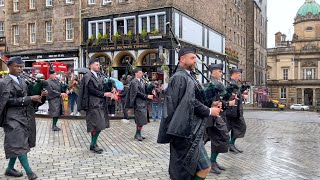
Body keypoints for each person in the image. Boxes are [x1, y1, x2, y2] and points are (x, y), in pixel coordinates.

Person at [157, 47, 221, 180]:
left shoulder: (187, 76)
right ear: (182, 59)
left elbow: (193, 100)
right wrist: (209, 111)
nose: (195, 61)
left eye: (195, 58)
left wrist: (210, 105)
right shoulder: (180, 77)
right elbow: (188, 103)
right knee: (188, 170)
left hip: (191, 131)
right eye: (192, 58)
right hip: (184, 132)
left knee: (201, 168)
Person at [0, 56, 46, 180]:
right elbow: (7, 101)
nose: (20, 69)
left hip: (24, 116)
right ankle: (29, 172)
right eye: (17, 66)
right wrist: (29, 99)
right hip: (11, 117)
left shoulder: (22, 81)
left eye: (21, 67)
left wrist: (40, 96)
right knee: (19, 142)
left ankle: (10, 169)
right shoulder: (4, 82)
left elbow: (30, 99)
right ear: (9, 67)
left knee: (18, 143)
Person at [78, 58, 115, 154]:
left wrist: (112, 87)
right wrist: (104, 94)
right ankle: (93, 144)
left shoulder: (100, 75)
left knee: (100, 124)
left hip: (100, 104)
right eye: (96, 64)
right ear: (91, 66)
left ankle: (93, 143)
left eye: (99, 64)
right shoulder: (88, 76)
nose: (98, 66)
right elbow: (91, 90)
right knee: (96, 125)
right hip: (93, 104)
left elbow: (107, 83)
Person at [204, 64, 236, 174]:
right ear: (212, 72)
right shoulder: (210, 85)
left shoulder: (218, 84)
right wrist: (228, 103)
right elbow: (208, 101)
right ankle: (207, 163)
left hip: (216, 116)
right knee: (213, 139)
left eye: (222, 71)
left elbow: (219, 100)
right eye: (219, 71)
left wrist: (228, 99)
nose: (221, 73)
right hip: (209, 117)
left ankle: (212, 161)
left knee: (219, 139)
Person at [126, 67, 153, 141]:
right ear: (136, 73)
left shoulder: (142, 81)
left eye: (142, 73)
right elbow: (136, 93)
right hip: (138, 103)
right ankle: (138, 134)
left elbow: (144, 90)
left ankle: (138, 134)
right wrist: (147, 96)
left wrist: (151, 89)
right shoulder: (134, 82)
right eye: (140, 73)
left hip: (143, 103)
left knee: (142, 119)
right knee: (140, 120)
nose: (142, 74)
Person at [225, 69, 247, 153]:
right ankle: (230, 144)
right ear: (234, 74)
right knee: (238, 127)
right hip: (232, 111)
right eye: (239, 75)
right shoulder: (231, 84)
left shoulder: (234, 84)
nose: (239, 77)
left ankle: (231, 144)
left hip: (235, 111)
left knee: (237, 128)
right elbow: (229, 96)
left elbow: (235, 95)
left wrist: (241, 91)